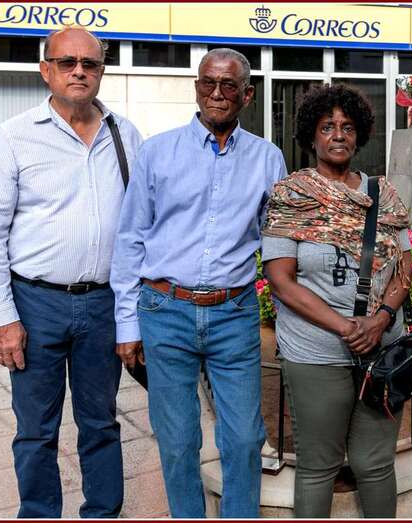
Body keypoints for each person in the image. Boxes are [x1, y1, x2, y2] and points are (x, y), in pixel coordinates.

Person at [0, 27, 142, 518]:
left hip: (103, 303)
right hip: (36, 304)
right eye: (66, 62)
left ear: (102, 71)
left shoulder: (125, 134)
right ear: (46, 69)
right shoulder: (14, 136)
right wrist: (3, 318)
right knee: (36, 430)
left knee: (101, 423)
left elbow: (139, 227)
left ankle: (103, 512)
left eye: (89, 63)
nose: (78, 71)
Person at [110, 48, 287, 518]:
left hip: (233, 312)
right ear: (196, 86)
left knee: (246, 437)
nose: (217, 93)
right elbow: (130, 240)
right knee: (177, 439)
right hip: (165, 310)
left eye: (229, 85)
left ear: (247, 94)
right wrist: (126, 325)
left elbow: (278, 241)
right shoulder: (157, 152)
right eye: (208, 82)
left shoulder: (269, 159)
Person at [261, 84, 412, 518]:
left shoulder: (382, 194)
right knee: (318, 465)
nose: (338, 135)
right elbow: (281, 281)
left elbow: (405, 267)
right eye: (327, 127)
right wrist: (347, 328)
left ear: (360, 134)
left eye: (347, 127)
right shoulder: (290, 197)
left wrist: (380, 321)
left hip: (381, 353)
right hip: (316, 355)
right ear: (312, 136)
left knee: (375, 463)